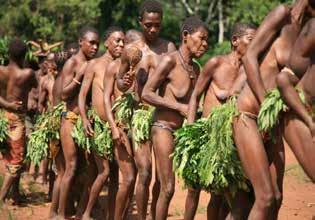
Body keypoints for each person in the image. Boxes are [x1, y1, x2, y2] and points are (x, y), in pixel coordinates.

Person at [232, 1, 313, 219]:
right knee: (264, 197)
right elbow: (249, 58)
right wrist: (265, 104)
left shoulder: (310, 32)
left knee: (276, 198)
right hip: (249, 115)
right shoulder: (281, 15)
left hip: (275, 122)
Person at [184, 23, 256, 220]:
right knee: (204, 192)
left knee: (224, 196)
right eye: (251, 39)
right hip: (210, 139)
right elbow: (195, 96)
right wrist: (190, 132)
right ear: (235, 41)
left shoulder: (250, 70)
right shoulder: (216, 63)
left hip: (235, 140)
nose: (256, 44)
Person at [142, 16, 208, 220]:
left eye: (207, 41)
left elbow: (195, 103)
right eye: (202, 38)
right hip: (163, 128)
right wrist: (178, 106)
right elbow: (146, 93)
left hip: (184, 132)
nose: (205, 44)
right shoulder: (169, 61)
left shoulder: (196, 69)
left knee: (194, 184)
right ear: (186, 36)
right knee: (168, 187)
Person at [116, 1, 176, 218]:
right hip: (140, 114)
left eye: (157, 25)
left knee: (162, 176)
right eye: (148, 24)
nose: (153, 29)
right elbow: (119, 83)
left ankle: (154, 215)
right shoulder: (131, 51)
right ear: (140, 22)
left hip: (162, 117)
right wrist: (125, 81)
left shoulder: (169, 48)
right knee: (145, 171)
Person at [78, 26, 125, 220]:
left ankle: (110, 215)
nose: (121, 44)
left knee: (115, 175)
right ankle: (87, 213)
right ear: (107, 43)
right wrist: (83, 118)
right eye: (117, 41)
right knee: (103, 172)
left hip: (117, 127)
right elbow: (82, 96)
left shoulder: (122, 65)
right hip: (99, 126)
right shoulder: (95, 65)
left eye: (123, 41)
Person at [56, 26, 99, 220]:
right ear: (81, 42)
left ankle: (82, 210)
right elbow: (63, 94)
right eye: (91, 43)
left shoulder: (95, 64)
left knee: (90, 169)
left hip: (88, 122)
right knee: (70, 167)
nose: (95, 47)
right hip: (71, 120)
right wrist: (79, 76)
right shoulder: (72, 63)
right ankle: (62, 214)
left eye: (97, 43)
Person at [0, 39, 36, 204]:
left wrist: (7, 104)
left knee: (10, 156)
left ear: (8, 54)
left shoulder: (1, 70)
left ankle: (15, 195)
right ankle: (1, 198)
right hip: (16, 119)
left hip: (2, 116)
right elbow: (35, 85)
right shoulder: (27, 73)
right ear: (24, 56)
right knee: (17, 160)